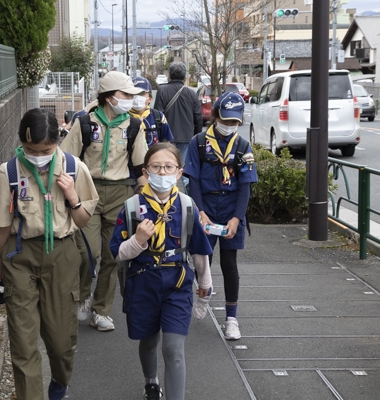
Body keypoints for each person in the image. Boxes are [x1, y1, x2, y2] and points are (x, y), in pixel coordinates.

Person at [0, 108, 99, 400]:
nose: (38, 156)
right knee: (23, 344)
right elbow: (3, 225)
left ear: (58, 140)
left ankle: (60, 382)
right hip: (20, 255)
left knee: (61, 341)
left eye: (46, 150)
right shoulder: (9, 171)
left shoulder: (74, 168)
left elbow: (83, 221)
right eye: (30, 150)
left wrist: (73, 197)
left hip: (62, 253)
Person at [110, 143, 213, 400]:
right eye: (156, 167)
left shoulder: (187, 206)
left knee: (174, 350)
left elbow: (200, 251)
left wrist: (205, 286)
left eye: (169, 167)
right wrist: (139, 240)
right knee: (148, 341)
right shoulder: (132, 207)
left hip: (177, 283)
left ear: (179, 173)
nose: (163, 172)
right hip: (142, 282)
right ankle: (151, 382)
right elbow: (117, 252)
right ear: (146, 171)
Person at [61, 71, 148, 332]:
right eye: (125, 95)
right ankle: (84, 295)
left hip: (121, 193)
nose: (131, 99)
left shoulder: (134, 126)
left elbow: (141, 167)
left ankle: (101, 310)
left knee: (113, 254)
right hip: (87, 192)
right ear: (110, 98)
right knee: (88, 252)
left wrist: (145, 200)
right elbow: (66, 159)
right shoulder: (85, 123)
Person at [183, 92, 257, 340]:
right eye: (226, 121)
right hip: (205, 205)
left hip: (231, 207)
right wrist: (200, 213)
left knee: (229, 263)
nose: (230, 126)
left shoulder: (243, 146)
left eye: (235, 122)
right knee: (203, 259)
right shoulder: (199, 142)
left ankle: (232, 319)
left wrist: (237, 218)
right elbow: (192, 180)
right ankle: (203, 293)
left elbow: (246, 185)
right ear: (215, 116)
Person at [154, 62, 203, 190]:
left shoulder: (162, 91)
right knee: (184, 171)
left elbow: (157, 116)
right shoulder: (191, 93)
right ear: (184, 77)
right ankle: (185, 199)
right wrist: (196, 137)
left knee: (166, 169)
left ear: (169, 75)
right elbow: (198, 117)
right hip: (187, 137)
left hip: (166, 138)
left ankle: (167, 196)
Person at [130, 77, 174, 147]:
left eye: (141, 94)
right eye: (133, 93)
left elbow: (167, 142)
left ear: (150, 98)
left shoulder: (158, 116)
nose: (137, 97)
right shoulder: (123, 117)